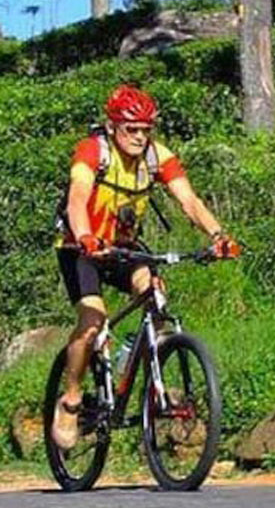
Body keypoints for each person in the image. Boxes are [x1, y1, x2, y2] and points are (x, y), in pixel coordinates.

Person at [50, 84, 239, 450]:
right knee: (91, 324)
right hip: (81, 247)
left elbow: (189, 200)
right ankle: (71, 401)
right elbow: (77, 199)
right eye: (130, 129)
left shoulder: (157, 157)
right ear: (111, 127)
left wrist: (219, 235)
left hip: (122, 248)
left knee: (154, 294)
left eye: (145, 130)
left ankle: (136, 362)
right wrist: (86, 235)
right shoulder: (93, 152)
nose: (139, 137)